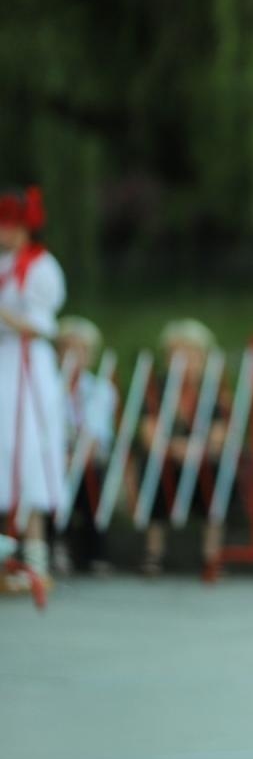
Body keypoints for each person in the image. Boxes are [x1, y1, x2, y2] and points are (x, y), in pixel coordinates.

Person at [0, 186, 66, 594]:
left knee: (28, 450)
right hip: (2, 363)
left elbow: (41, 324)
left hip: (26, 364)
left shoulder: (41, 267)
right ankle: (8, 557)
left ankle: (37, 558)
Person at [134, 318, 229, 575]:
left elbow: (220, 435)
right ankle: (153, 552)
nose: (185, 359)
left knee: (219, 470)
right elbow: (148, 434)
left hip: (202, 460)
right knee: (152, 468)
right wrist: (176, 448)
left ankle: (212, 554)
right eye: (178, 352)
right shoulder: (157, 389)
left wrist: (198, 448)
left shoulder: (212, 390)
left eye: (191, 352)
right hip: (168, 458)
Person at [54, 315, 117, 574]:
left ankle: (94, 552)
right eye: (68, 347)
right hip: (55, 454)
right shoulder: (49, 385)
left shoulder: (100, 388)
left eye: (81, 349)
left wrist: (77, 457)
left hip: (87, 454)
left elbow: (98, 432)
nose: (74, 354)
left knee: (93, 477)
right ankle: (56, 545)